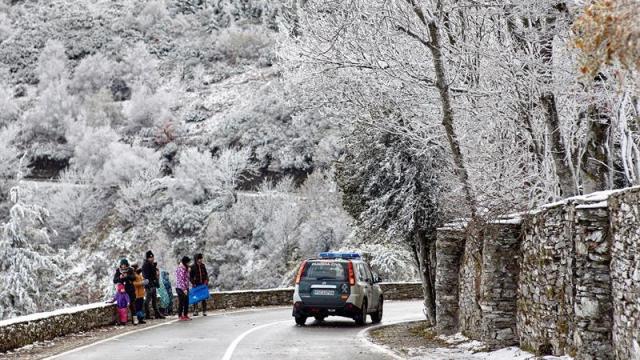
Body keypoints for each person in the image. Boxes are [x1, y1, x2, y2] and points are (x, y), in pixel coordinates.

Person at [142, 250, 165, 319]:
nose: (152, 259)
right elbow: (146, 276)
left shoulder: (151, 264)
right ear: (147, 258)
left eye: (152, 257)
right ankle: (147, 314)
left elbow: (154, 275)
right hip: (149, 285)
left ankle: (157, 314)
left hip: (153, 284)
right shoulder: (145, 265)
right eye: (150, 257)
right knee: (147, 300)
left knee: (154, 300)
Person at [113, 258, 136, 324]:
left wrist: (127, 276)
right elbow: (114, 280)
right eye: (122, 265)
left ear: (127, 264)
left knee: (132, 304)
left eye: (124, 265)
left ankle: (134, 319)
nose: (123, 266)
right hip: (122, 292)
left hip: (130, 290)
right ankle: (123, 320)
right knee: (122, 306)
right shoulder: (118, 271)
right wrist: (120, 277)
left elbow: (134, 278)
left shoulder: (131, 270)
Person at [176, 256, 191, 321]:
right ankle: (180, 315)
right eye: (188, 262)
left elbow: (187, 278)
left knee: (186, 302)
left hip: (185, 287)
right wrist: (184, 289)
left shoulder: (185, 268)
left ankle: (185, 315)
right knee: (181, 302)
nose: (189, 264)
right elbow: (181, 279)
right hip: (180, 288)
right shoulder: (181, 268)